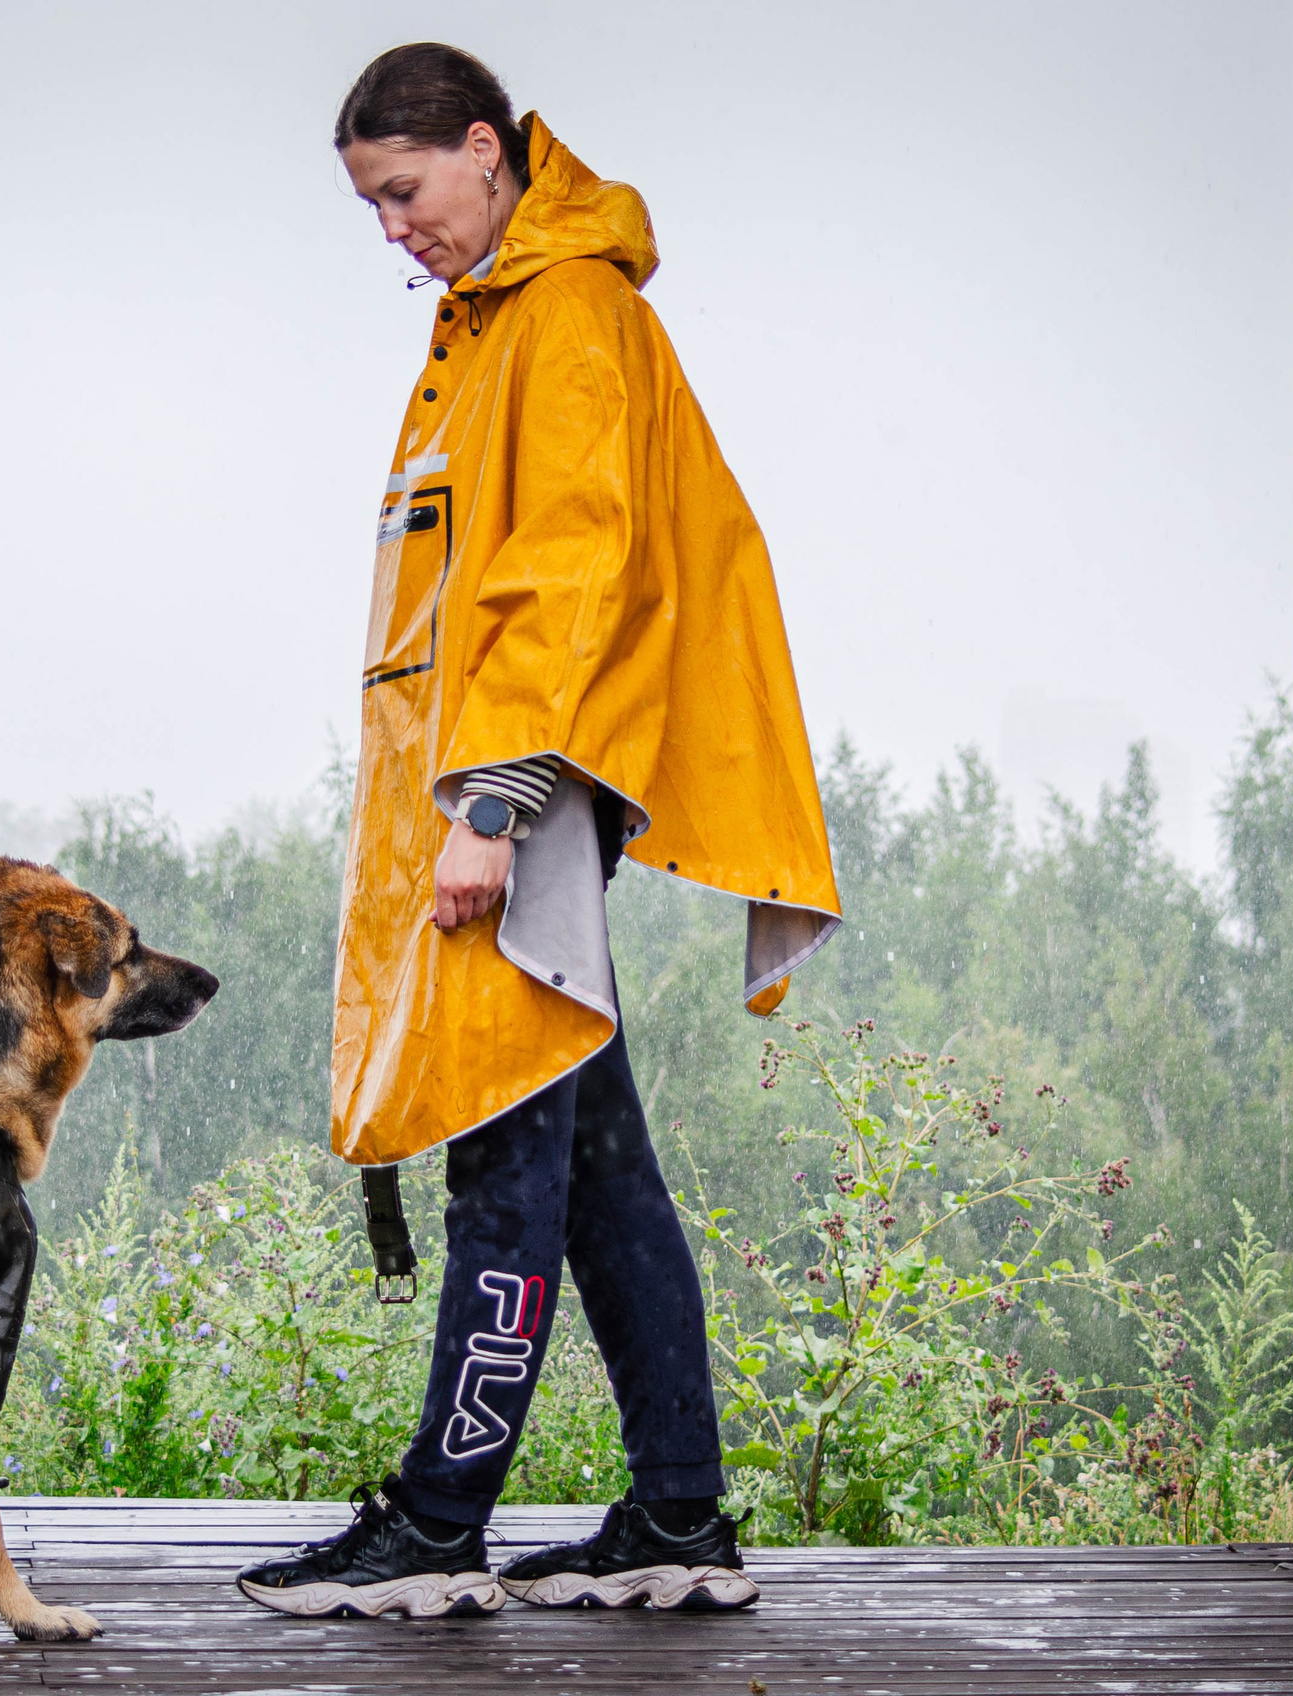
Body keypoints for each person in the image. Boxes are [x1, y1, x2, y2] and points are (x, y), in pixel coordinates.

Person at [235, 43, 840, 1620]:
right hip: (503, 796)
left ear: (486, 153)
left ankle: (440, 1525)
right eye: (371, 205)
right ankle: (682, 1514)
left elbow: (571, 567)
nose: (393, 229)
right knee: (600, 1178)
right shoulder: (494, 323)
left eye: (405, 191)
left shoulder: (566, 311)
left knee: (506, 1159)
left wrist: (492, 807)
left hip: (519, 799)